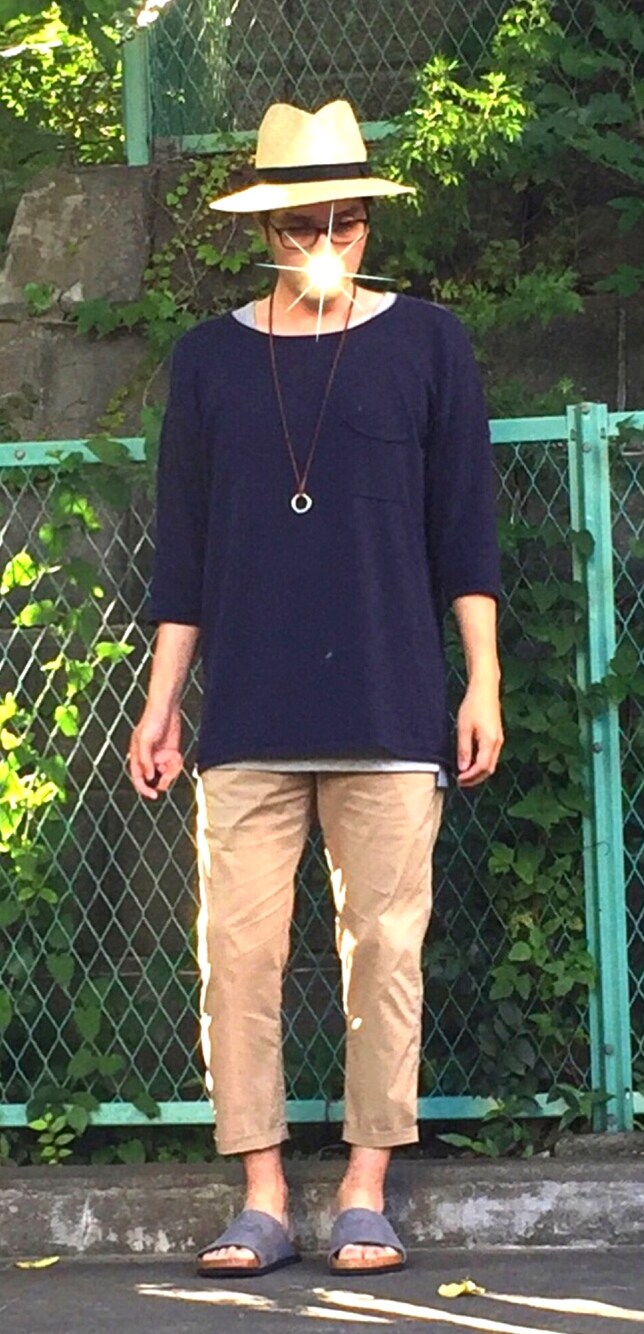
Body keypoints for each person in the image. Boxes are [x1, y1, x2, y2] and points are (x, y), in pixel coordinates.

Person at [128, 99, 503, 1279]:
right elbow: (183, 555)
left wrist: (482, 680)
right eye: (303, 225)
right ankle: (260, 1193)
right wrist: (161, 701)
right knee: (238, 953)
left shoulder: (428, 344)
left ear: (365, 220)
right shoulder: (208, 360)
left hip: (391, 703)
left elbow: (465, 533)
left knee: (385, 952)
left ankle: (364, 1187)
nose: (327, 242)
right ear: (267, 229)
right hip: (246, 711)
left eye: (345, 220)